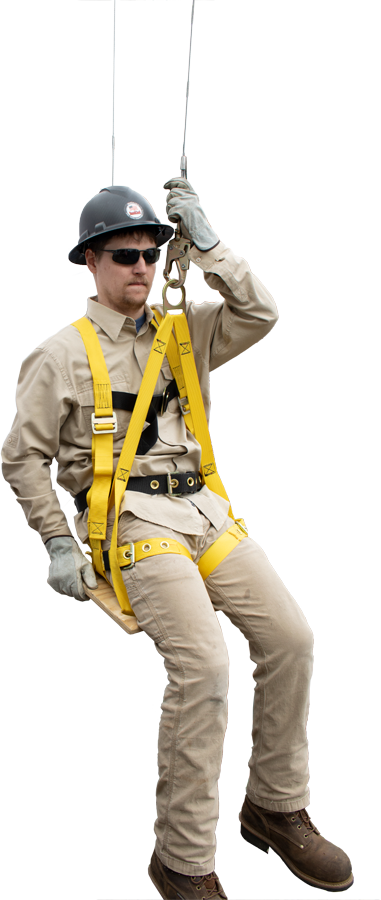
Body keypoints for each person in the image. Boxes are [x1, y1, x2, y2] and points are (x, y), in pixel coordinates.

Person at [2, 180, 352, 898]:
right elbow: (21, 456)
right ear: (91, 263)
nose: (142, 266)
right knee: (203, 667)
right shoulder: (59, 357)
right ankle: (182, 863)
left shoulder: (184, 330)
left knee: (290, 640)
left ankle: (274, 807)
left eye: (153, 251)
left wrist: (216, 249)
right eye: (125, 254)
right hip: (130, 520)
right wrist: (57, 542)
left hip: (203, 513)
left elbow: (260, 312)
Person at [149, 263, 234, 480]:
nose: (172, 296)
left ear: (200, 300)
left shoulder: (201, 338)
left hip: (210, 452)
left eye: (181, 290)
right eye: (169, 289)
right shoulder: (175, 323)